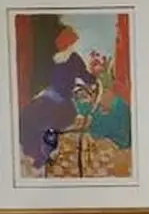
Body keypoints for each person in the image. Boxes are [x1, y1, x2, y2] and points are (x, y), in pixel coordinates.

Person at [15, 24, 97, 175]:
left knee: (45, 119)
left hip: (64, 104)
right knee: (27, 114)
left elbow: (86, 77)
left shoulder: (74, 58)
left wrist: (95, 79)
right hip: (50, 97)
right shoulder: (56, 59)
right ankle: (33, 151)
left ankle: (44, 155)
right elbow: (52, 83)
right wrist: (43, 93)